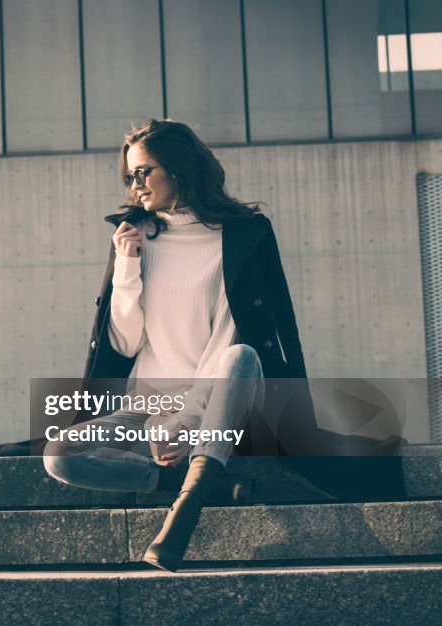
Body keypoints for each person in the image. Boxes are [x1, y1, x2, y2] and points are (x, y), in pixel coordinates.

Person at [43, 118, 301, 572]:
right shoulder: (137, 235)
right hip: (148, 409)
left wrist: (189, 417)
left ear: (179, 168)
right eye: (129, 175)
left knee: (241, 356)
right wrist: (127, 265)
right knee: (60, 455)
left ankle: (185, 512)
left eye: (144, 171)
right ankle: (194, 483)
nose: (134, 184)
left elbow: (232, 336)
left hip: (221, 407)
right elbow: (124, 342)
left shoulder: (240, 235)